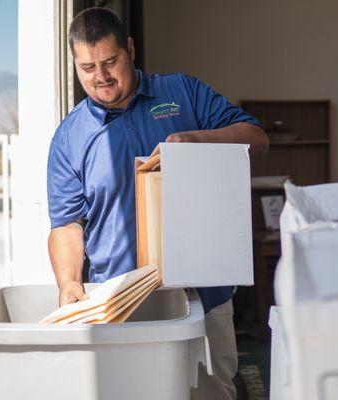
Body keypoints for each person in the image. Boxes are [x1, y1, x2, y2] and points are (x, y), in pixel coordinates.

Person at [46, 7, 268, 400]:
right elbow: (67, 224)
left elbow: (257, 139)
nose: (100, 78)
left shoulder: (182, 92)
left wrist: (198, 140)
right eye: (87, 68)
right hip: (120, 299)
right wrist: (68, 284)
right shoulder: (69, 136)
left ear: (130, 49)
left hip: (205, 293)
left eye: (110, 61)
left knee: (212, 392)